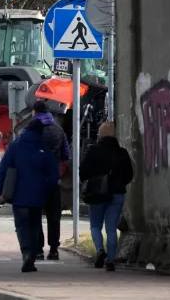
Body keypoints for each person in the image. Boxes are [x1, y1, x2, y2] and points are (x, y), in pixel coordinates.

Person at [0, 124, 59, 273]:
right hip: (38, 196)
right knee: (35, 225)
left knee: (22, 226)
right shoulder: (44, 147)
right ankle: (33, 253)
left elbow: (2, 169)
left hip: (18, 195)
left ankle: (26, 252)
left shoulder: (15, 146)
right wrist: (47, 189)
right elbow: (53, 174)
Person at [80, 121, 134, 272]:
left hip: (97, 193)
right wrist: (119, 183)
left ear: (100, 135)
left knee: (95, 225)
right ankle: (110, 260)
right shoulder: (122, 153)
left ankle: (99, 250)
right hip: (117, 194)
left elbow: (83, 172)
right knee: (111, 228)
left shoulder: (93, 151)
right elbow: (129, 174)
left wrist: (92, 180)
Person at [28, 100, 71, 261]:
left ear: (35, 112)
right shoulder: (58, 130)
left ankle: (38, 249)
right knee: (54, 217)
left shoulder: (31, 129)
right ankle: (54, 250)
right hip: (53, 180)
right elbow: (66, 154)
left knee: (35, 216)